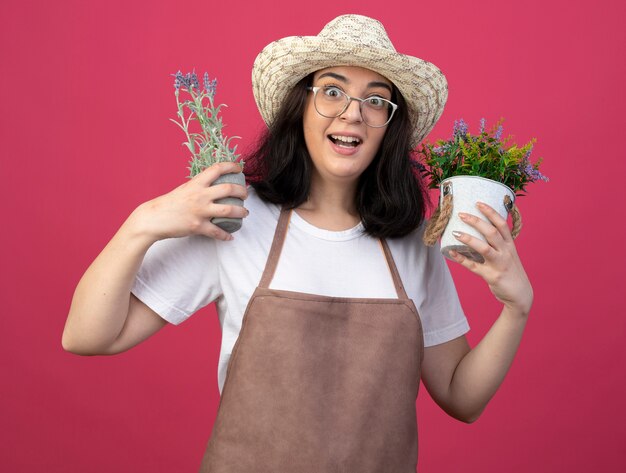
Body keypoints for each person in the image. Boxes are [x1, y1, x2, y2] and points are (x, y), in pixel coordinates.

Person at [63, 14, 533, 472]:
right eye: (332, 91)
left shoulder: (411, 241)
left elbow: (461, 397)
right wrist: (142, 224)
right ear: (300, 105)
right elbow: (87, 336)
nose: (353, 112)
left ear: (390, 126)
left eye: (375, 100)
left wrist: (516, 307)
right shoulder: (236, 219)